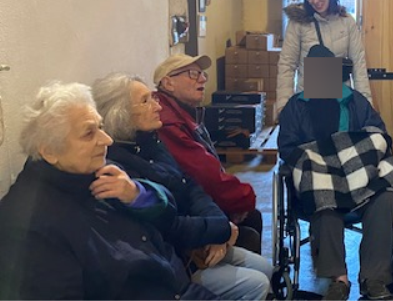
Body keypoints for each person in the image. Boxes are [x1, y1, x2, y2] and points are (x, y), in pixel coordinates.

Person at [0, 82, 220, 301]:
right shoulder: (29, 225)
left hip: (179, 286)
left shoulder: (99, 169)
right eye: (89, 133)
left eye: (101, 127)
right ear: (49, 151)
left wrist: (137, 194)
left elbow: (169, 216)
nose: (107, 140)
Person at [92, 73, 272, 301]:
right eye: (146, 101)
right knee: (256, 283)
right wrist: (220, 229)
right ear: (120, 113)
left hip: (197, 235)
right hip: (174, 257)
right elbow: (165, 225)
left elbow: (191, 186)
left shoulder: (151, 141)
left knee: (264, 266)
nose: (157, 106)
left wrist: (219, 227)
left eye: (154, 98)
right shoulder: (118, 168)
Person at [278, 45, 393, 301]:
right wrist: (318, 157)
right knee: (323, 194)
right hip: (319, 175)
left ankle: (375, 277)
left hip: (358, 173)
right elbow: (287, 147)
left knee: (385, 194)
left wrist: (348, 152)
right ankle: (338, 279)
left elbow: (377, 133)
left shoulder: (355, 101)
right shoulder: (295, 106)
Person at [153, 54, 263, 254]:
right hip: (186, 210)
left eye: (202, 74)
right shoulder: (168, 123)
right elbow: (203, 174)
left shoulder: (181, 112)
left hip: (196, 201)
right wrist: (242, 198)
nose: (202, 79)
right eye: (193, 74)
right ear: (168, 83)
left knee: (252, 217)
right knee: (250, 224)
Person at [276, 0, 372, 117]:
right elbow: (287, 65)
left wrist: (365, 107)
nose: (315, 0)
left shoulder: (346, 22)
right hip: (308, 104)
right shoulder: (298, 23)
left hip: (341, 103)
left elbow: (359, 65)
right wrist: (284, 107)